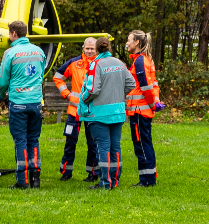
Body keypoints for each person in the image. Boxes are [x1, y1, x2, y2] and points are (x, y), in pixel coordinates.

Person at [0, 20, 49, 188]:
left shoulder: (11, 53)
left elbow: (3, 79)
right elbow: (41, 73)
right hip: (35, 102)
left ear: (13, 34)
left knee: (20, 141)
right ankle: (35, 178)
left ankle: (22, 180)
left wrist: (2, 94)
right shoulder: (39, 51)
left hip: (18, 102)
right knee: (33, 139)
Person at [76, 37, 132, 189]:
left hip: (100, 113)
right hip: (118, 112)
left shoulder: (96, 64)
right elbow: (131, 83)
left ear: (97, 49)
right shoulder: (119, 63)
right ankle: (115, 180)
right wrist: (118, 94)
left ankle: (105, 182)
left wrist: (83, 98)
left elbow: (93, 89)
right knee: (116, 147)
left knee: (103, 148)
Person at [53, 38, 99, 181]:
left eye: (92, 49)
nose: (90, 51)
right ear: (83, 48)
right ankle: (66, 172)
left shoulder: (100, 63)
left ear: (97, 49)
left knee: (93, 143)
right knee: (70, 142)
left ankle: (93, 173)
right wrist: (65, 94)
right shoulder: (74, 62)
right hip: (75, 111)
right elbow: (58, 77)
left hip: (93, 111)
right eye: (87, 48)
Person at [123, 30, 162, 187]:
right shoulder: (145, 60)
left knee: (141, 145)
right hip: (142, 110)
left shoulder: (140, 61)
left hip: (140, 111)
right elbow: (154, 85)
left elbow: (146, 87)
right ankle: (149, 178)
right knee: (145, 143)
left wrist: (152, 104)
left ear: (137, 42)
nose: (127, 43)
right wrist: (155, 103)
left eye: (129, 40)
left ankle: (146, 181)